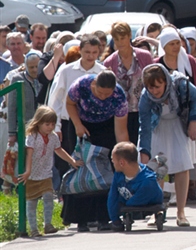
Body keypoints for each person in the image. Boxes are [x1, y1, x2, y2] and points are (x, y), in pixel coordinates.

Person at [62, 69, 130, 230]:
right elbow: (69, 103)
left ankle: (103, 217)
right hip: (81, 124)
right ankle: (81, 219)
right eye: (100, 93)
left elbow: (121, 130)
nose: (104, 97)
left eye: (108, 94)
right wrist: (78, 125)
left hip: (105, 127)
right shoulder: (81, 85)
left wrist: (124, 152)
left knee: (103, 170)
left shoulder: (119, 96)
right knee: (80, 166)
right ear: (94, 84)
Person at [138, 65, 196, 226]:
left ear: (165, 82)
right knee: (156, 168)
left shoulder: (179, 84)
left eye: (158, 86)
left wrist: (193, 123)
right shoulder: (146, 97)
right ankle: (157, 211)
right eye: (151, 87)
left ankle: (181, 212)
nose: (154, 91)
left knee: (182, 166)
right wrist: (144, 151)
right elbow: (144, 126)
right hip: (157, 127)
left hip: (177, 125)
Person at [46, 35, 105, 185]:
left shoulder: (102, 72)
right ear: (80, 50)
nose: (90, 56)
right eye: (87, 52)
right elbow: (56, 99)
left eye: (94, 52)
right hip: (68, 124)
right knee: (67, 162)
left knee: (92, 162)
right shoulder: (67, 70)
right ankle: (67, 194)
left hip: (94, 123)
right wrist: (56, 126)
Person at [17, 106, 82, 236]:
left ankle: (48, 224)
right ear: (38, 122)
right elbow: (29, 154)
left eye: (52, 124)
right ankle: (34, 229)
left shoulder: (53, 137)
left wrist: (72, 161)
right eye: (47, 124)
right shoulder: (32, 136)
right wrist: (28, 171)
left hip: (46, 173)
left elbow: (59, 150)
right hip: (32, 175)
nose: (50, 127)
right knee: (31, 202)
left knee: (48, 197)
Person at [104, 22, 155, 145]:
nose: (120, 42)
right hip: (120, 115)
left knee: (145, 146)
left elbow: (152, 81)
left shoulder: (144, 56)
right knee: (125, 148)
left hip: (143, 110)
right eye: (116, 39)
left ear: (129, 36)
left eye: (123, 38)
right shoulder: (109, 62)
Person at [108, 142, 165, 231]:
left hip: (149, 199)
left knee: (148, 181)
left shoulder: (147, 182)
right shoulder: (118, 174)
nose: (112, 162)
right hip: (130, 197)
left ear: (122, 163)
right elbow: (112, 197)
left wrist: (124, 207)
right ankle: (155, 164)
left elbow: (135, 203)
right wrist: (115, 220)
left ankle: (158, 168)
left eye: (113, 160)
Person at [6, 54, 44, 147]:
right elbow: (11, 107)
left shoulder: (43, 78)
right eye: (31, 67)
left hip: (42, 127)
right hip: (24, 128)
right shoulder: (17, 79)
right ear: (26, 67)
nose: (35, 70)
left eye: (37, 66)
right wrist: (12, 133)